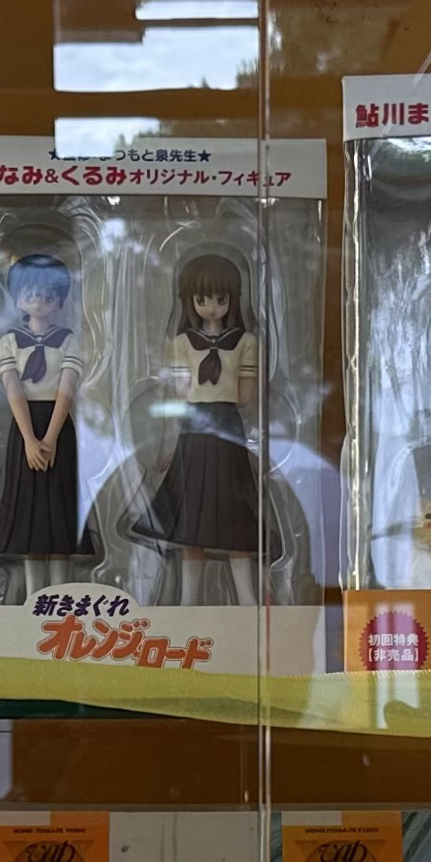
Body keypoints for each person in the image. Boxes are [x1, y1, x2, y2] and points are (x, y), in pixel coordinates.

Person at [140, 250, 263, 606]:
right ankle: (189, 602)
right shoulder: (182, 344)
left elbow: (244, 398)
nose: (211, 306)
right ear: (189, 300)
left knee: (233, 515)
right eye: (202, 298)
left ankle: (246, 601)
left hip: (221, 430)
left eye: (220, 299)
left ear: (233, 299)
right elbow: (234, 396)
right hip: (204, 430)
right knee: (193, 520)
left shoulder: (246, 342)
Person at [0, 251, 90, 598]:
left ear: (59, 300)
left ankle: (59, 594)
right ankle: (32, 596)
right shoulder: (8, 342)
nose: (39, 301)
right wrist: (29, 438)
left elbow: (66, 390)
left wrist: (51, 437)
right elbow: (13, 389)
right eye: (30, 294)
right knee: (28, 511)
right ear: (17, 298)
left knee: (58, 508)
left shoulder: (70, 340)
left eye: (47, 295)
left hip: (59, 427)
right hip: (24, 427)